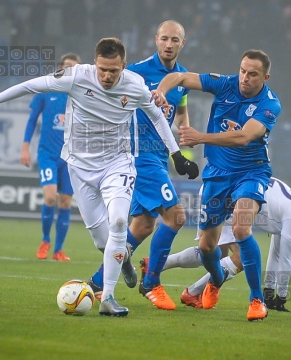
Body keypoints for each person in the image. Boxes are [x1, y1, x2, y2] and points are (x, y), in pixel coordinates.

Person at [0, 37, 199, 317]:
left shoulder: (134, 84)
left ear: (123, 66)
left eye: (113, 70)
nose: (107, 76)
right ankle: (124, 261)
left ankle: (108, 297)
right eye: (102, 70)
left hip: (118, 164)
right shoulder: (76, 76)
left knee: (121, 221)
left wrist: (176, 155)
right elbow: (29, 85)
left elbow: (158, 117)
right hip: (80, 168)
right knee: (103, 242)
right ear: (94, 63)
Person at [153, 49, 281, 321]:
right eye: (243, 70)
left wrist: (200, 137)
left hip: (251, 172)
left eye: (253, 74)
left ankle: (257, 300)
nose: (245, 78)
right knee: (208, 248)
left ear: (266, 77)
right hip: (217, 175)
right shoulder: (225, 83)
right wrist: (161, 92)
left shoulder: (270, 104)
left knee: (241, 227)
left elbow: (244, 137)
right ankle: (216, 278)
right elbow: (180, 77)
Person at [86, 20, 191, 311]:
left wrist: (185, 131)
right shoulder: (137, 72)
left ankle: (95, 284)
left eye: (175, 40)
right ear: (156, 40)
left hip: (159, 155)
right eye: (164, 38)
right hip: (139, 154)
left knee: (144, 225)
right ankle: (151, 282)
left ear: (183, 44)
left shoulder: (182, 77)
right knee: (176, 217)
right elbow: (107, 96)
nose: (169, 44)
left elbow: (180, 108)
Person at [146, 177, 291, 313]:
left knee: (213, 251)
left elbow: (275, 253)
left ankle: (156, 266)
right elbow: (286, 259)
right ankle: (192, 291)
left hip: (222, 193)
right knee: (239, 258)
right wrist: (281, 297)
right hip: (230, 199)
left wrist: (270, 291)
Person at [21, 52, 81, 261]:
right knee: (49, 197)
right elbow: (32, 120)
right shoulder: (46, 90)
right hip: (47, 154)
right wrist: (25, 147)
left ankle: (58, 250)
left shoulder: (81, 94)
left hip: (71, 157)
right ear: (59, 68)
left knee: (65, 202)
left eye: (74, 68)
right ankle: (45, 240)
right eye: (66, 66)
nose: (69, 71)